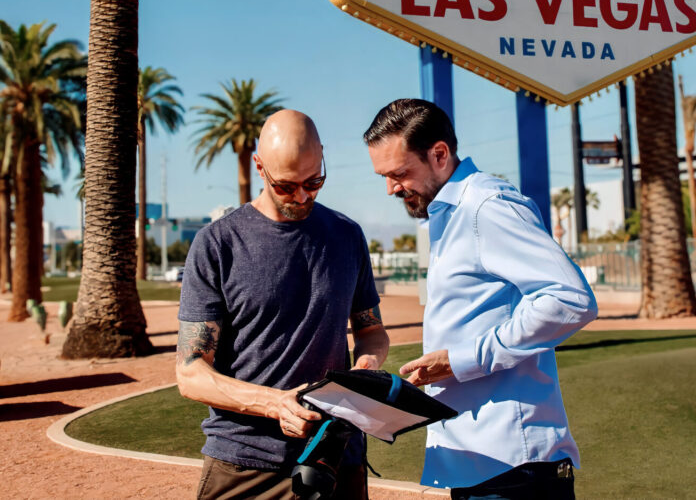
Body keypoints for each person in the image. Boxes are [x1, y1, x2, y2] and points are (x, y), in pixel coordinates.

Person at [364, 98, 598, 499]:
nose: (391, 188)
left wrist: (460, 360)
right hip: (477, 466)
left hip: (512, 470)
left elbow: (570, 298)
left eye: (399, 173)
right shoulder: (448, 214)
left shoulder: (486, 205)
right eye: (384, 176)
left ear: (440, 154)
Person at [177, 109, 389, 500]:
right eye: (286, 186)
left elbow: (371, 331)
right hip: (246, 462)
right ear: (259, 167)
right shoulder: (217, 244)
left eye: (314, 181)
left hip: (335, 457)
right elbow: (191, 373)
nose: (303, 196)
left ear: (322, 156)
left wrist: (366, 368)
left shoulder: (347, 235)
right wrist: (276, 404)